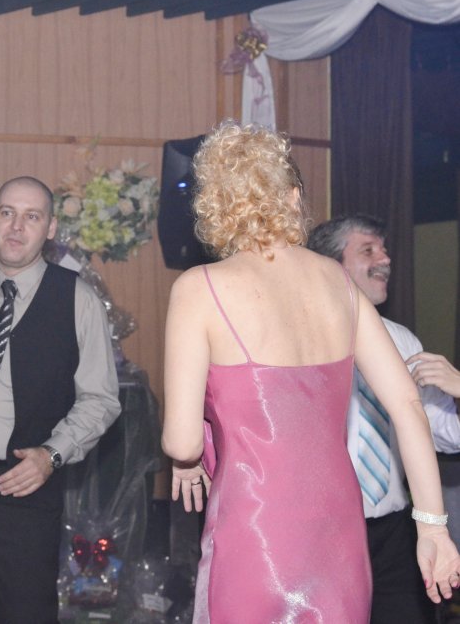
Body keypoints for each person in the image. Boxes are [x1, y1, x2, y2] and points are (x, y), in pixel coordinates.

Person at [162, 121, 460, 622]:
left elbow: (182, 441)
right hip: (338, 530)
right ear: (294, 196)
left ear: (213, 204)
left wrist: (188, 459)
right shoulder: (338, 282)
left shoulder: (199, 288)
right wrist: (432, 527)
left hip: (255, 528)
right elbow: (409, 404)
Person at [0, 175, 121, 623]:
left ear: (50, 229)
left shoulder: (78, 300)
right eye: (7, 213)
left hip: (25, 488)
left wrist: (51, 455)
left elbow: (100, 398)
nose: (16, 227)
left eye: (31, 216)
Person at [308, 214, 460, 623]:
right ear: (332, 265)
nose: (386, 259)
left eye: (385, 250)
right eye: (369, 250)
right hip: (321, 531)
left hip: (395, 533)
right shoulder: (300, 337)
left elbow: (446, 435)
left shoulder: (401, 340)